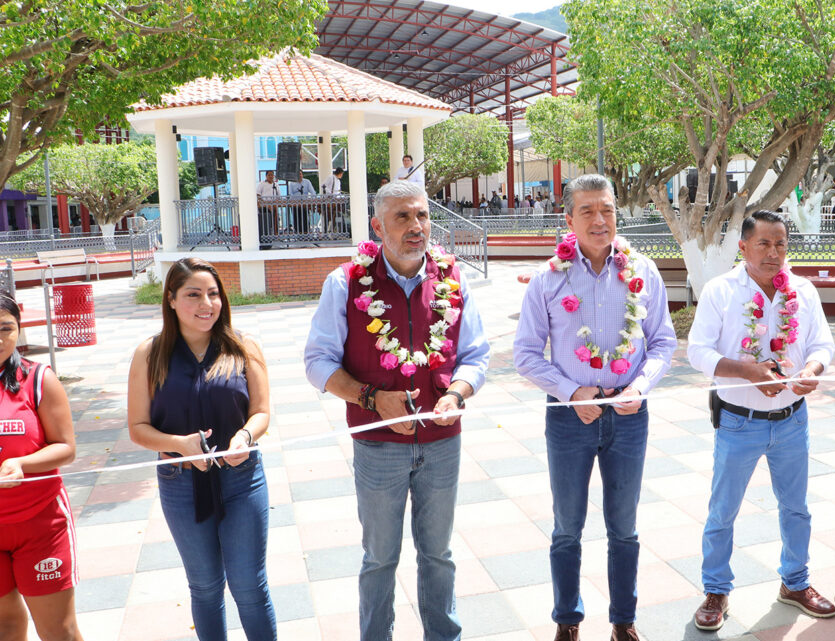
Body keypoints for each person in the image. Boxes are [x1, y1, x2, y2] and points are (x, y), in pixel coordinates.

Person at [304, 181, 489, 641]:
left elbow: (477, 355)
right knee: (380, 558)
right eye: (403, 217)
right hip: (378, 445)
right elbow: (317, 362)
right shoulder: (345, 282)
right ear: (377, 226)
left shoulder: (452, 277)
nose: (416, 226)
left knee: (439, 555)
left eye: (422, 216)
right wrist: (371, 399)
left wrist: (458, 394)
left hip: (443, 443)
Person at [514, 174, 677, 641]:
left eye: (606, 209)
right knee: (567, 526)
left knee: (623, 526)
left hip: (629, 416)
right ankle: (568, 621)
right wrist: (571, 392)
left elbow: (664, 341)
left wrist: (640, 385)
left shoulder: (642, 272)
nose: (599, 219)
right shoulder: (548, 280)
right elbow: (526, 353)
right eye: (587, 211)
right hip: (569, 418)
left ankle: (623, 621)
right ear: (568, 220)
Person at [687, 211, 835, 628]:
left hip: (792, 420)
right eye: (763, 244)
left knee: (796, 509)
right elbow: (697, 352)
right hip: (739, 421)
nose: (774, 253)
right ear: (743, 247)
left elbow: (823, 344)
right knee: (723, 511)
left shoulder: (803, 291)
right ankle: (715, 592)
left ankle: (795, 581)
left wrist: (812, 370)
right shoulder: (720, 291)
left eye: (781, 244)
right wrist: (748, 371)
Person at [126, 258, 275, 640]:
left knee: (249, 586)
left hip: (243, 479)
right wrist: (180, 445)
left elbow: (261, 412)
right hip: (179, 483)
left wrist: (244, 437)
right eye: (193, 295)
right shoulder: (149, 353)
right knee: (206, 588)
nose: (206, 303)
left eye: (213, 294)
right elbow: (138, 429)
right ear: (171, 300)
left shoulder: (244, 346)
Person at [0, 295, 83, 641]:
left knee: (58, 631)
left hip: (40, 523)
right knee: (5, 626)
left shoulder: (38, 378)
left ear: (18, 331)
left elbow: (67, 448)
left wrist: (20, 462)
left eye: (6, 329)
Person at [257, 170, 280, 238]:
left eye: (272, 175)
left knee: (275, 219)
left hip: (273, 205)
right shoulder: (262, 184)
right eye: (269, 175)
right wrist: (265, 204)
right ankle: (266, 235)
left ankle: (275, 234)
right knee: (266, 220)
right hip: (263, 206)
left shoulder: (275, 184)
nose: (271, 176)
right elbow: (258, 194)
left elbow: (278, 196)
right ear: (266, 176)